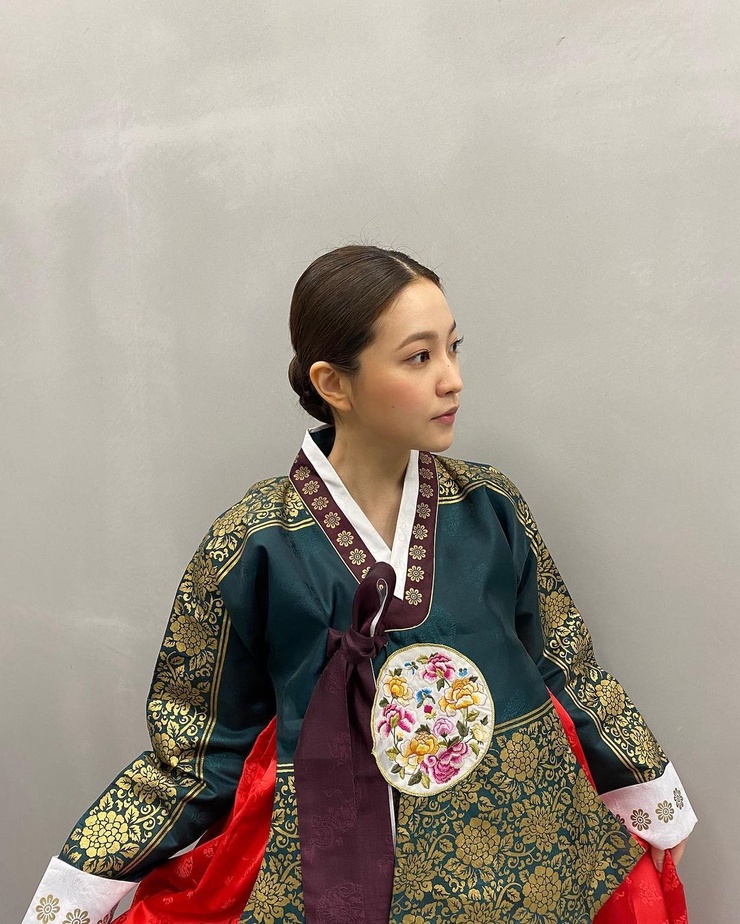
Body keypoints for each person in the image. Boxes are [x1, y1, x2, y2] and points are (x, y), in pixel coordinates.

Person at [22, 245, 696, 924]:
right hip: (341, 872)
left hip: (531, 864)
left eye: (454, 348)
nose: (453, 380)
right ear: (334, 383)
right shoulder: (253, 545)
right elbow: (199, 748)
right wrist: (82, 881)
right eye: (419, 357)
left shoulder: (491, 508)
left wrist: (647, 787)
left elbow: (564, 666)